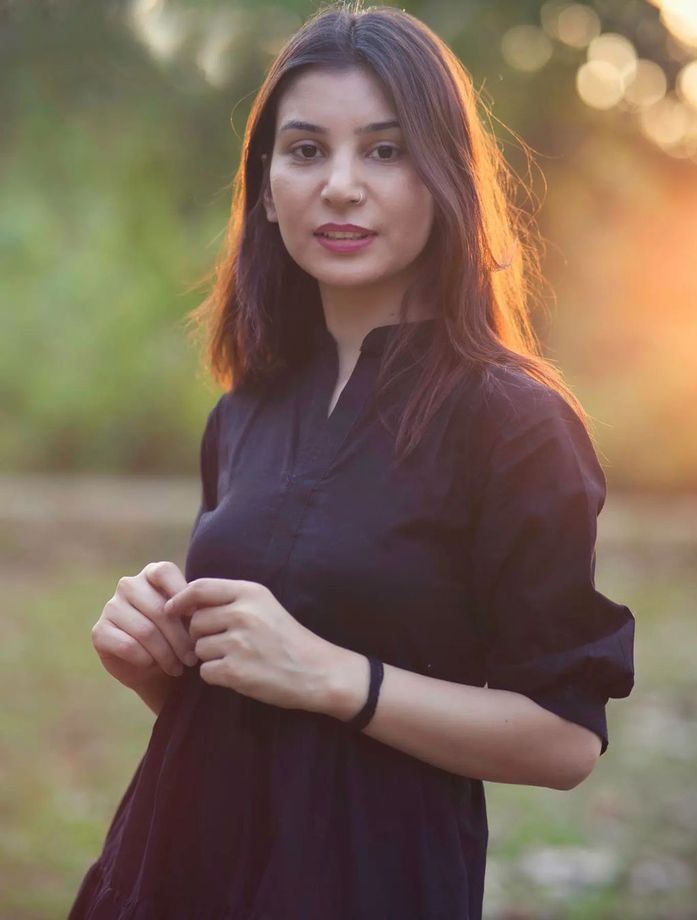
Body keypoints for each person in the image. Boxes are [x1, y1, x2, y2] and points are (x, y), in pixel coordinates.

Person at [68, 2, 636, 917]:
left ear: (446, 176)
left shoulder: (515, 423)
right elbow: (257, 706)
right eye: (304, 151)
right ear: (263, 186)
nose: (339, 186)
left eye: (385, 150)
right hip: (178, 869)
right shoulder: (247, 406)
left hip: (369, 884)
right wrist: (160, 666)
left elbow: (565, 740)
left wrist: (343, 679)